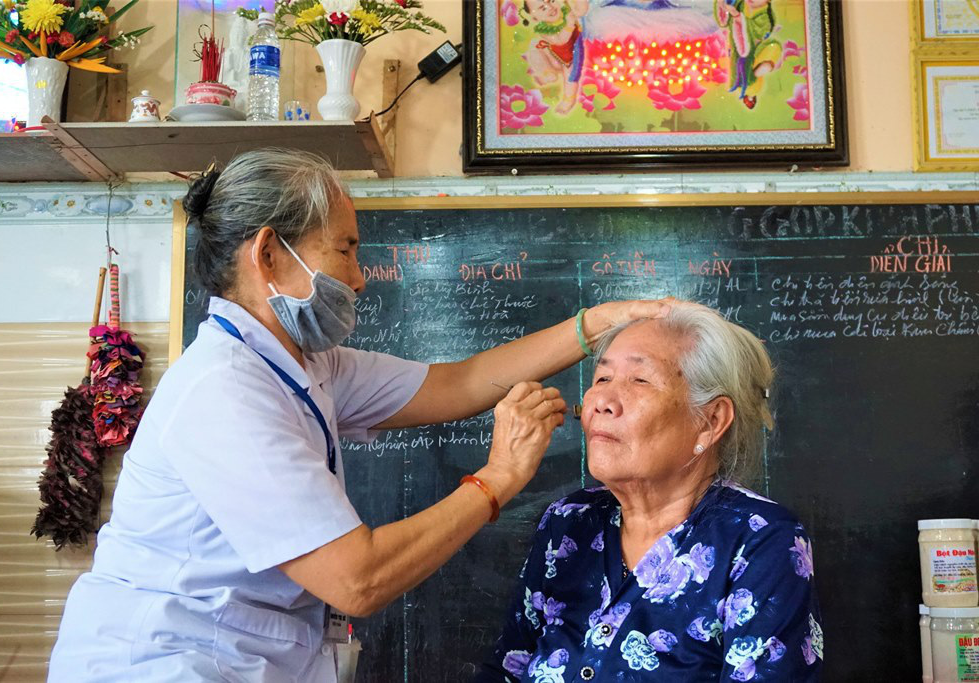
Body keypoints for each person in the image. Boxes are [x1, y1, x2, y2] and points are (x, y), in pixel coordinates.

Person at [47, 148, 670, 682]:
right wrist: (500, 476)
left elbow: (463, 382)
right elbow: (358, 580)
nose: (361, 278)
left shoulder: (305, 363)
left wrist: (598, 324)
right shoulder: (224, 392)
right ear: (269, 254)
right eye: (345, 249)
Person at [475, 301, 823, 681]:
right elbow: (507, 668)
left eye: (639, 380)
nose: (603, 402)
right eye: (602, 379)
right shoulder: (569, 522)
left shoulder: (761, 540)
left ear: (710, 421)